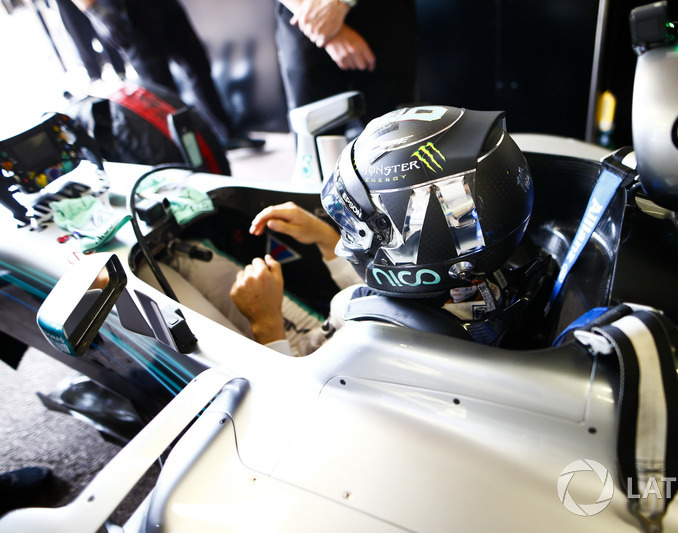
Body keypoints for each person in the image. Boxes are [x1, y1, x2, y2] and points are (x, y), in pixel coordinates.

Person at [230, 105, 542, 355]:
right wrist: (325, 239)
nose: (344, 241)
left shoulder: (379, 348)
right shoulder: (477, 280)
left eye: (353, 229)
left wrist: (266, 324)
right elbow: (403, 291)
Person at [73, 0, 263, 150]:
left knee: (199, 68)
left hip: (162, 5)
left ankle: (226, 134)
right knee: (163, 92)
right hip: (126, 11)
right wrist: (96, 13)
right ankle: (190, 151)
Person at [275, 0, 418, 131]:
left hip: (384, 14)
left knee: (393, 139)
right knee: (315, 141)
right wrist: (320, 23)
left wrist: (340, 3)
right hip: (301, 13)